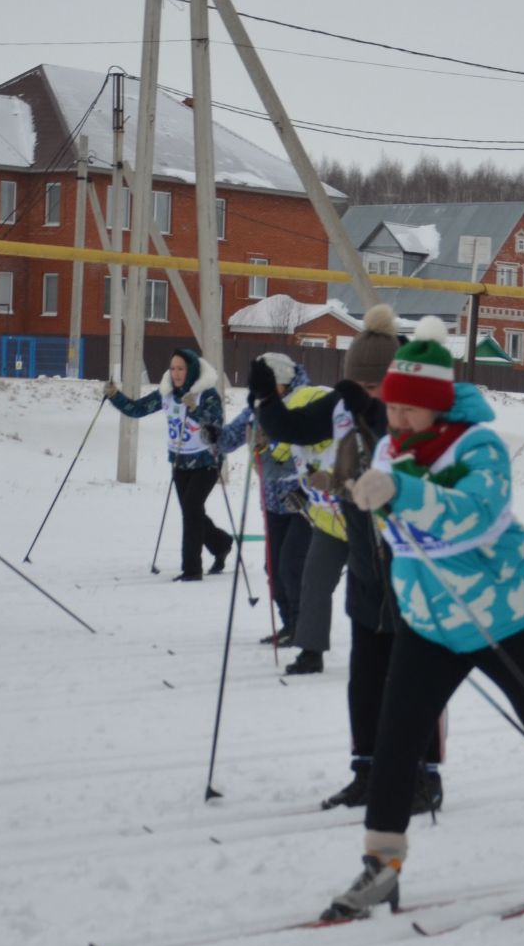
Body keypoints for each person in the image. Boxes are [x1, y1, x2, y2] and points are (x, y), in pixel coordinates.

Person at [318, 316, 524, 921]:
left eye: (408, 411)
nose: (395, 421)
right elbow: (393, 517)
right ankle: (381, 864)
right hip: (431, 625)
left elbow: (474, 513)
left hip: (506, 620)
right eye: (391, 409)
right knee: (395, 741)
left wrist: (399, 494)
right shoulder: (392, 447)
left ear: (437, 408)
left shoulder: (480, 448)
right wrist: (343, 490)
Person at [251, 305, 444, 814]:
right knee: (364, 681)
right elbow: (290, 428)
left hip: (410, 572)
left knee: (413, 684)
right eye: (357, 385)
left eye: (374, 388)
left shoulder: (416, 419)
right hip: (364, 565)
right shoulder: (343, 406)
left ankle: (425, 777)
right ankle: (366, 770)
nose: (365, 397)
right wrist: (265, 396)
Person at [217, 353, 326, 649]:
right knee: (273, 567)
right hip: (273, 503)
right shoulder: (259, 407)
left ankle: (303, 627)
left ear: (283, 381)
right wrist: (214, 435)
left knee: (292, 563)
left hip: (305, 501)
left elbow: (313, 455)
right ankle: (290, 623)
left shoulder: (307, 404)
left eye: (268, 385)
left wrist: (271, 457)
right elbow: (229, 439)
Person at [105, 349, 232, 582]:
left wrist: (195, 409)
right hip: (180, 462)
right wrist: (115, 396)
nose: (175, 373)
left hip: (206, 461)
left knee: (192, 509)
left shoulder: (207, 394)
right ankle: (221, 543)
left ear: (191, 370)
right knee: (192, 512)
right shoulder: (167, 394)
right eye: (172, 368)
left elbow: (216, 425)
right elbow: (138, 409)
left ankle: (192, 569)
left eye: (181, 368)